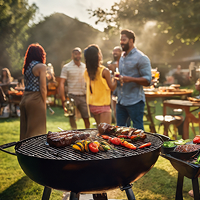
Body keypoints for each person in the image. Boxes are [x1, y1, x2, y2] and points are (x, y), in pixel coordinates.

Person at [116, 29, 152, 130]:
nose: (121, 42)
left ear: (131, 41)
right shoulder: (122, 57)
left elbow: (148, 80)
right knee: (120, 131)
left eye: (124, 40)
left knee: (138, 131)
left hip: (135, 101)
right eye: (121, 40)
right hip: (121, 101)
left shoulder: (141, 58)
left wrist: (130, 79)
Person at [84, 44, 117, 126]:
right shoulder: (104, 71)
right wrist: (116, 76)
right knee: (106, 132)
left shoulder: (86, 71)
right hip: (103, 105)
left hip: (92, 105)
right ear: (98, 56)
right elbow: (112, 87)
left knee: (100, 130)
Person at [20, 43, 47, 140]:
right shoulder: (41, 66)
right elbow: (43, 88)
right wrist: (44, 102)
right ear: (40, 54)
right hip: (35, 99)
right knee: (37, 133)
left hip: (25, 98)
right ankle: (34, 155)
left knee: (25, 131)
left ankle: (23, 153)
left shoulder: (27, 67)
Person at [59, 47, 90, 129]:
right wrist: (63, 99)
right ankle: (74, 132)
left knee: (86, 117)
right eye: (76, 54)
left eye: (79, 53)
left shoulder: (85, 66)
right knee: (71, 117)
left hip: (83, 96)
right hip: (72, 96)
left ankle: (88, 134)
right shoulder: (66, 67)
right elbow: (61, 83)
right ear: (72, 55)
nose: (78, 55)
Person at [107, 46, 122, 124]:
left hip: (123, 88)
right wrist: (111, 71)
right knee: (115, 109)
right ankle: (117, 123)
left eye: (117, 51)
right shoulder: (110, 64)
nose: (115, 53)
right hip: (114, 89)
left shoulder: (124, 63)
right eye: (114, 51)